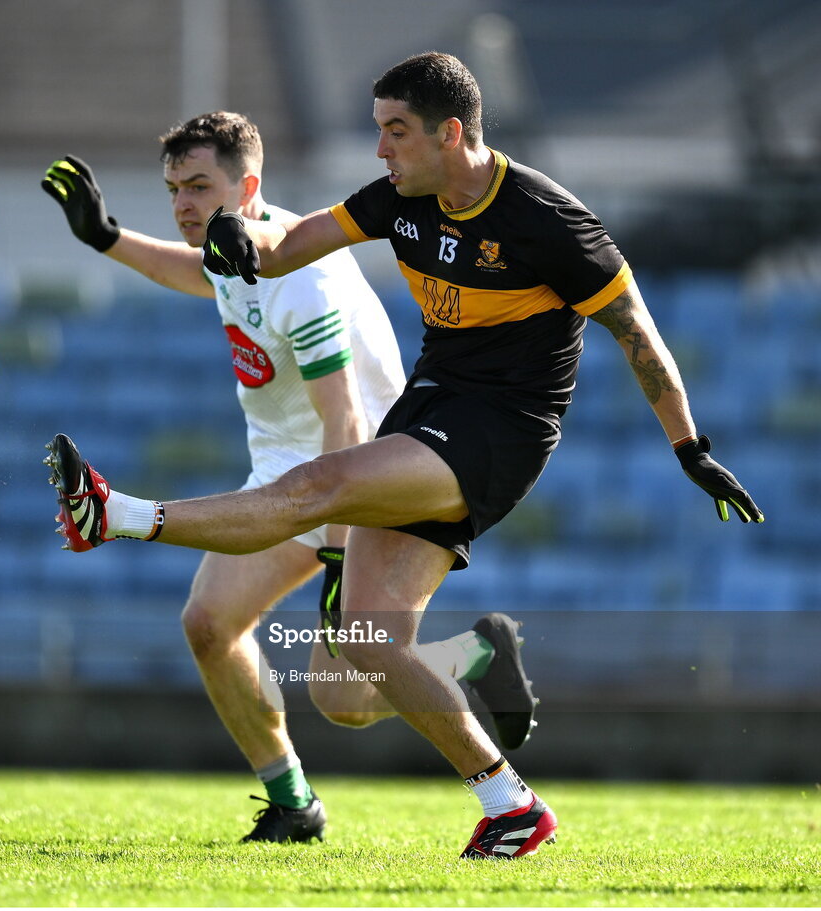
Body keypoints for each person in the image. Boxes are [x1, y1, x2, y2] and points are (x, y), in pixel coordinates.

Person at [43, 55, 762, 859]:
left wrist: (689, 445)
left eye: (395, 132)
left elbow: (638, 334)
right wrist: (245, 235)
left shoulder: (548, 221)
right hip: (430, 404)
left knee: (317, 485)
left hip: (501, 429)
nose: (380, 150)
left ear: (450, 134)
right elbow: (295, 241)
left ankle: (117, 514)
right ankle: (511, 802)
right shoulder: (400, 198)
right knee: (352, 676)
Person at [41, 111, 541, 846]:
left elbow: (343, 428)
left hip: (360, 473)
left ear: (247, 186)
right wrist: (106, 236)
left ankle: (476, 660)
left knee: (343, 695)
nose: (181, 204)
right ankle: (293, 801)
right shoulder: (234, 243)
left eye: (199, 186)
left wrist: (339, 555)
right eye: (174, 187)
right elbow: (198, 273)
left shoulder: (300, 277)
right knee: (210, 625)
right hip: (287, 468)